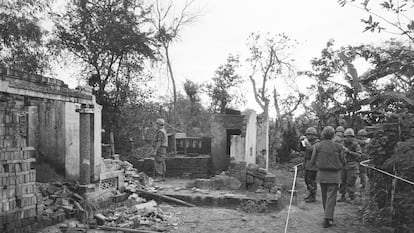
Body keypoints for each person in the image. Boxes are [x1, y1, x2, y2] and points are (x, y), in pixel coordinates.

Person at [311, 126, 346, 228]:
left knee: (324, 196)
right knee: (331, 197)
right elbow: (343, 161)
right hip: (334, 175)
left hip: (322, 174)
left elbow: (312, 161)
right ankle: (328, 218)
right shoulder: (339, 147)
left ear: (323, 134)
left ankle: (327, 216)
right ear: (333, 134)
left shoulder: (317, 146)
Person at [338, 128, 362, 202]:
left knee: (350, 182)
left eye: (349, 137)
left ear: (352, 137)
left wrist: (349, 152)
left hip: (352, 165)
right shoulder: (342, 144)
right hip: (343, 165)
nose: (347, 138)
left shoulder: (356, 145)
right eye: (346, 136)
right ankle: (342, 196)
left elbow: (358, 155)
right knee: (342, 182)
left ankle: (352, 197)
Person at [298, 127, 319, 203]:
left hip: (313, 164)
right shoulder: (307, 142)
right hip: (307, 162)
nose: (307, 136)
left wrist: (306, 142)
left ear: (314, 135)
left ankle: (313, 195)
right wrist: (301, 142)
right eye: (307, 135)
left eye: (309, 135)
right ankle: (310, 194)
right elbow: (302, 149)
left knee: (312, 180)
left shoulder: (317, 143)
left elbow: (312, 150)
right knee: (307, 180)